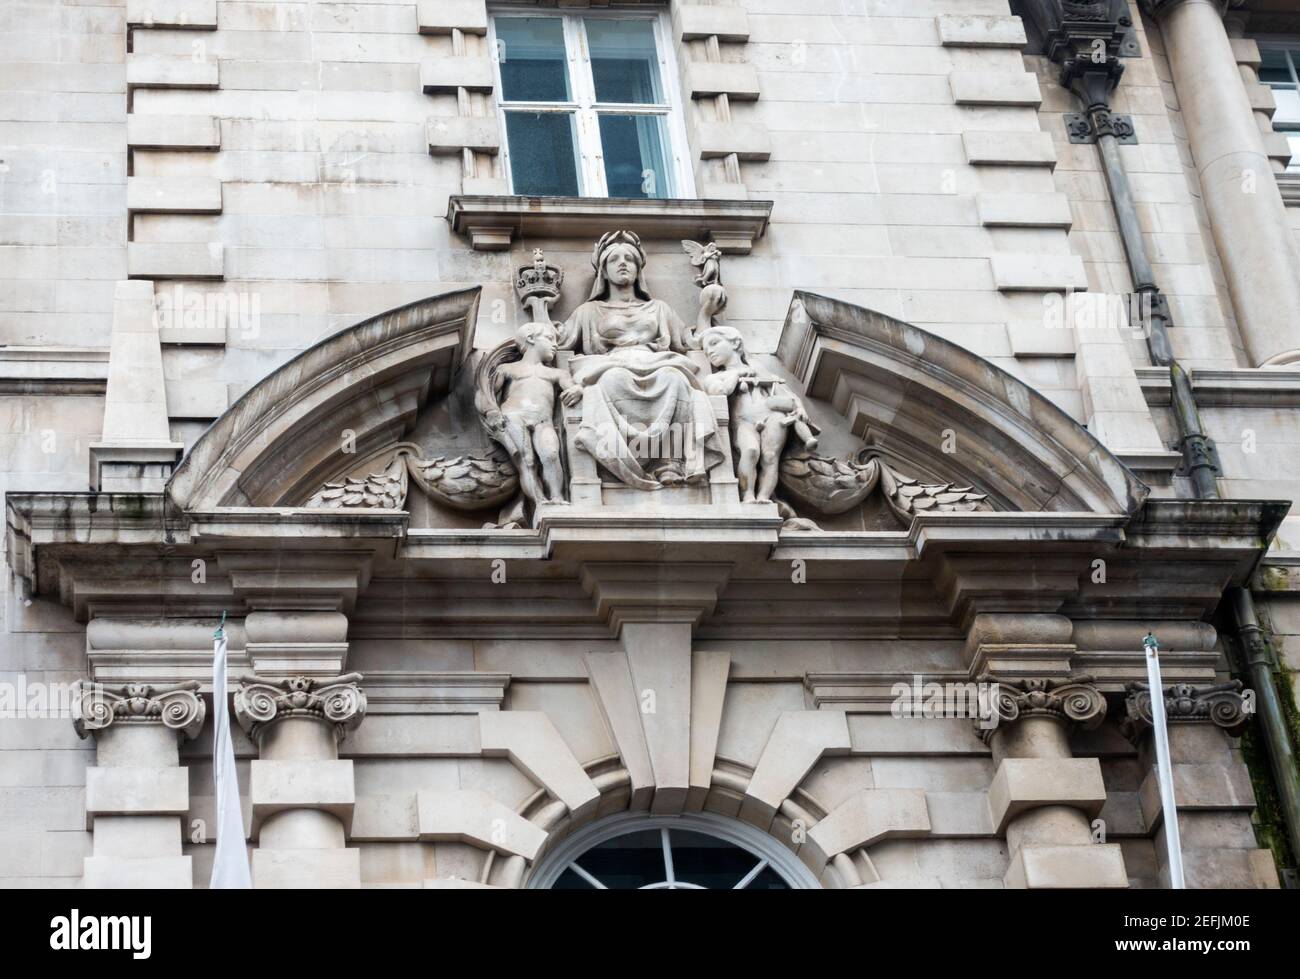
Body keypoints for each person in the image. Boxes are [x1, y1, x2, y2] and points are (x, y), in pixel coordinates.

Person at [559, 230, 723, 489]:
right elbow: (556, 342)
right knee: (613, 379)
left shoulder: (659, 308)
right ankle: (623, 460)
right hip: (612, 365)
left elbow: (691, 343)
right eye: (614, 260)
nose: (622, 263)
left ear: (638, 269)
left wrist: (706, 312)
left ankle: (670, 461)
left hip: (656, 361)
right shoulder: (588, 311)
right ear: (603, 271)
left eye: (629, 259)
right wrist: (538, 304)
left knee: (675, 378)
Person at [700, 325, 819, 503]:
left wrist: (799, 407)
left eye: (714, 343)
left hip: (773, 415)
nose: (709, 351)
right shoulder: (714, 377)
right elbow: (720, 391)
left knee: (770, 456)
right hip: (744, 421)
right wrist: (735, 375)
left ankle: (763, 496)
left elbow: (784, 392)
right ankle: (747, 494)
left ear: (735, 343)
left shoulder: (758, 367)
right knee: (750, 451)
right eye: (705, 349)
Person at [490, 321, 582, 505]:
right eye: (549, 338)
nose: (555, 344)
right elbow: (485, 393)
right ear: (531, 339)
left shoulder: (556, 373)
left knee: (550, 454)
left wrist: (578, 389)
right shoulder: (508, 369)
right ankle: (539, 501)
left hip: (543, 421)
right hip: (514, 417)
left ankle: (557, 496)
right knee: (528, 461)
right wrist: (491, 411)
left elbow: (571, 387)